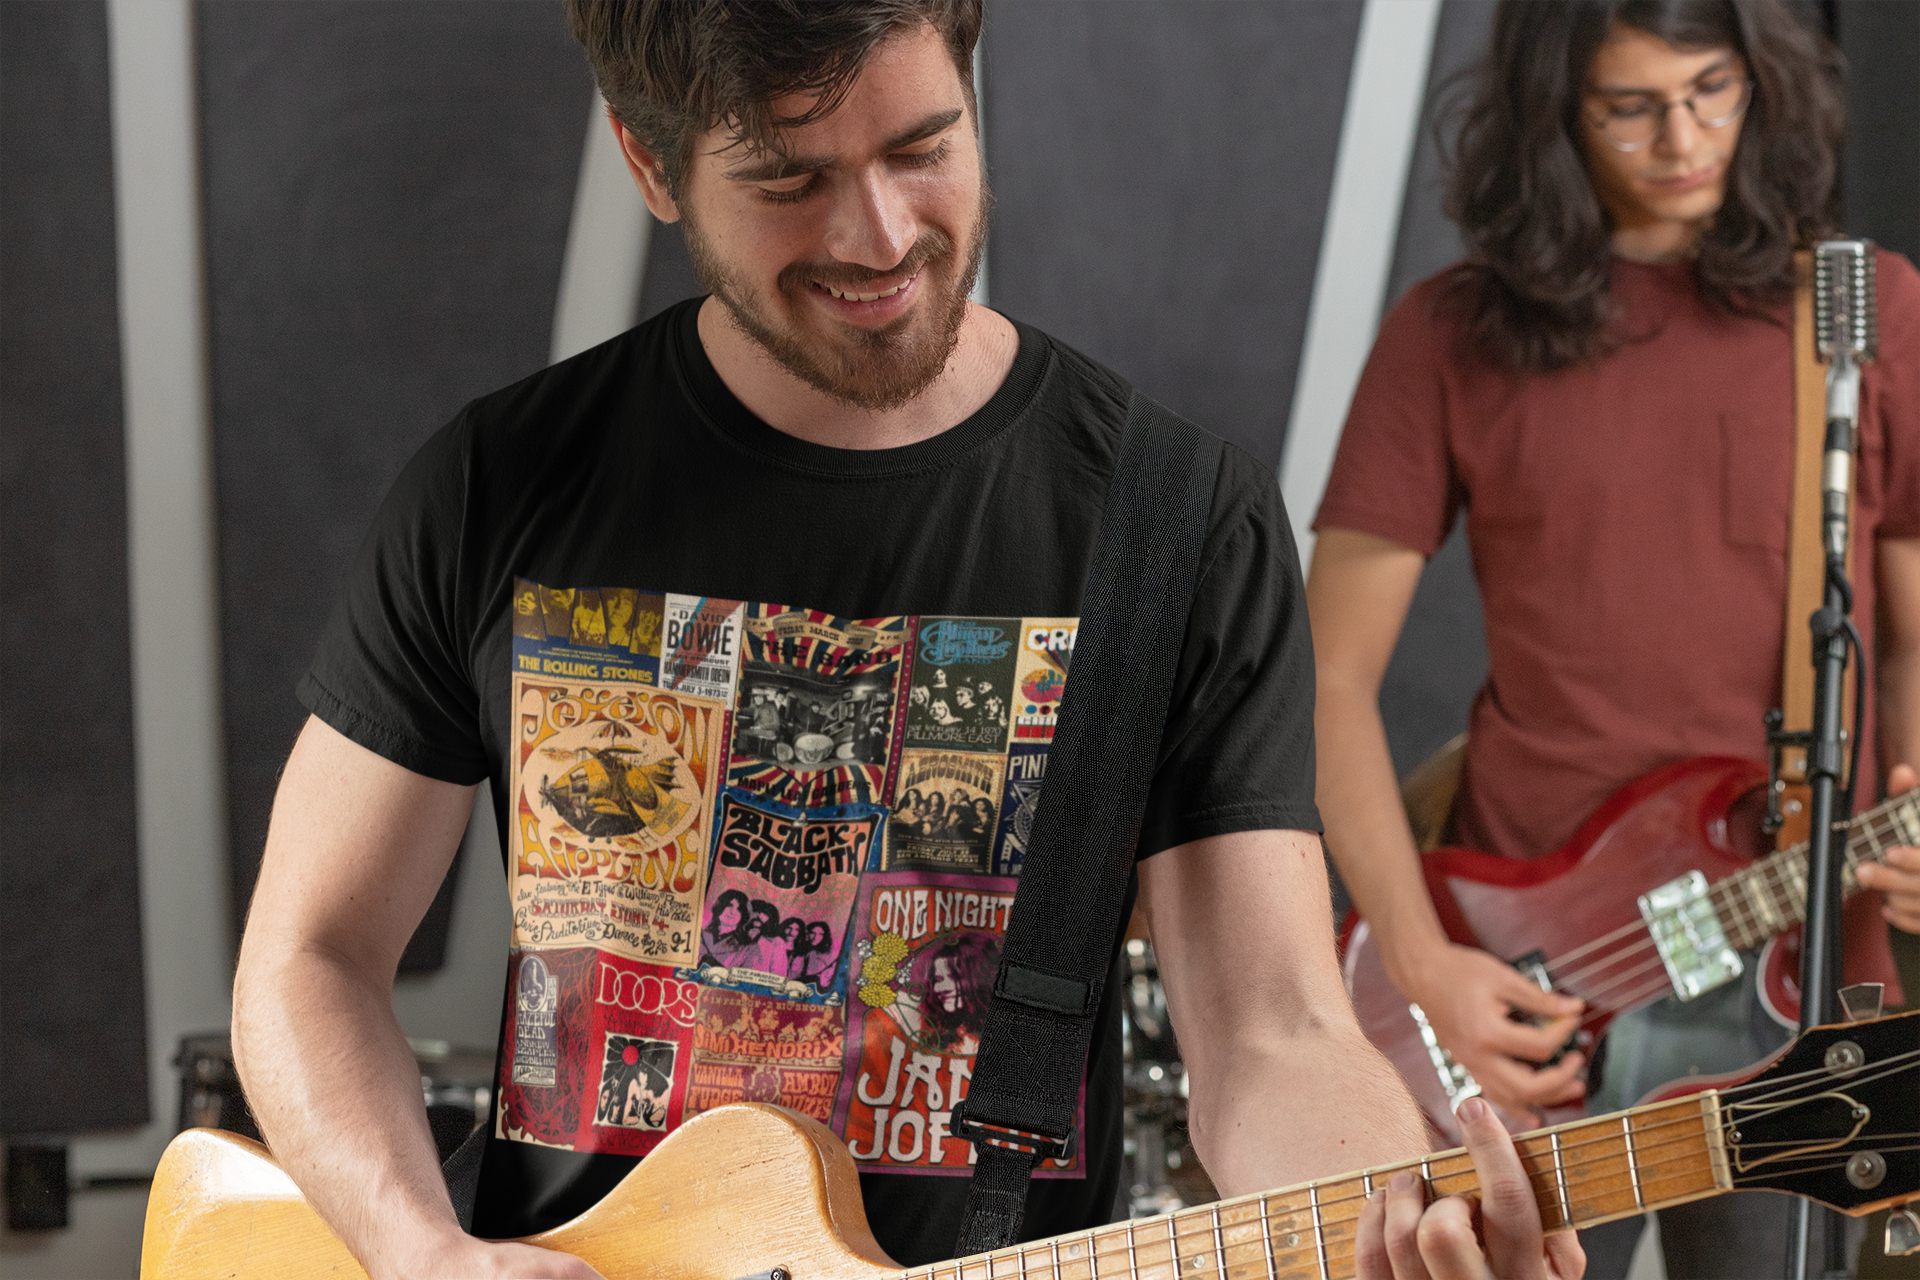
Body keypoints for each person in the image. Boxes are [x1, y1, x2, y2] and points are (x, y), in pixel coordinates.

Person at [229, 4, 1566, 1279]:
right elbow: (309, 956)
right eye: (790, 179)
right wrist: (417, 1248)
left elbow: (1271, 1032)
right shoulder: (499, 486)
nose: (878, 235)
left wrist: (1393, 1223)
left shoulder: (1173, 523)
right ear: (651, 160)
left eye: (922, 147)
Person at [1309, 1, 1920, 1276]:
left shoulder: (1860, 322)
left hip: (1794, 970)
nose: (1686, 139)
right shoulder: (1450, 331)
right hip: (1534, 981)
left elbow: (1908, 643)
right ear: (1553, 114)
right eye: (1630, 106)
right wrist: (1425, 965)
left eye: (1713, 91)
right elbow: (1324, 676)